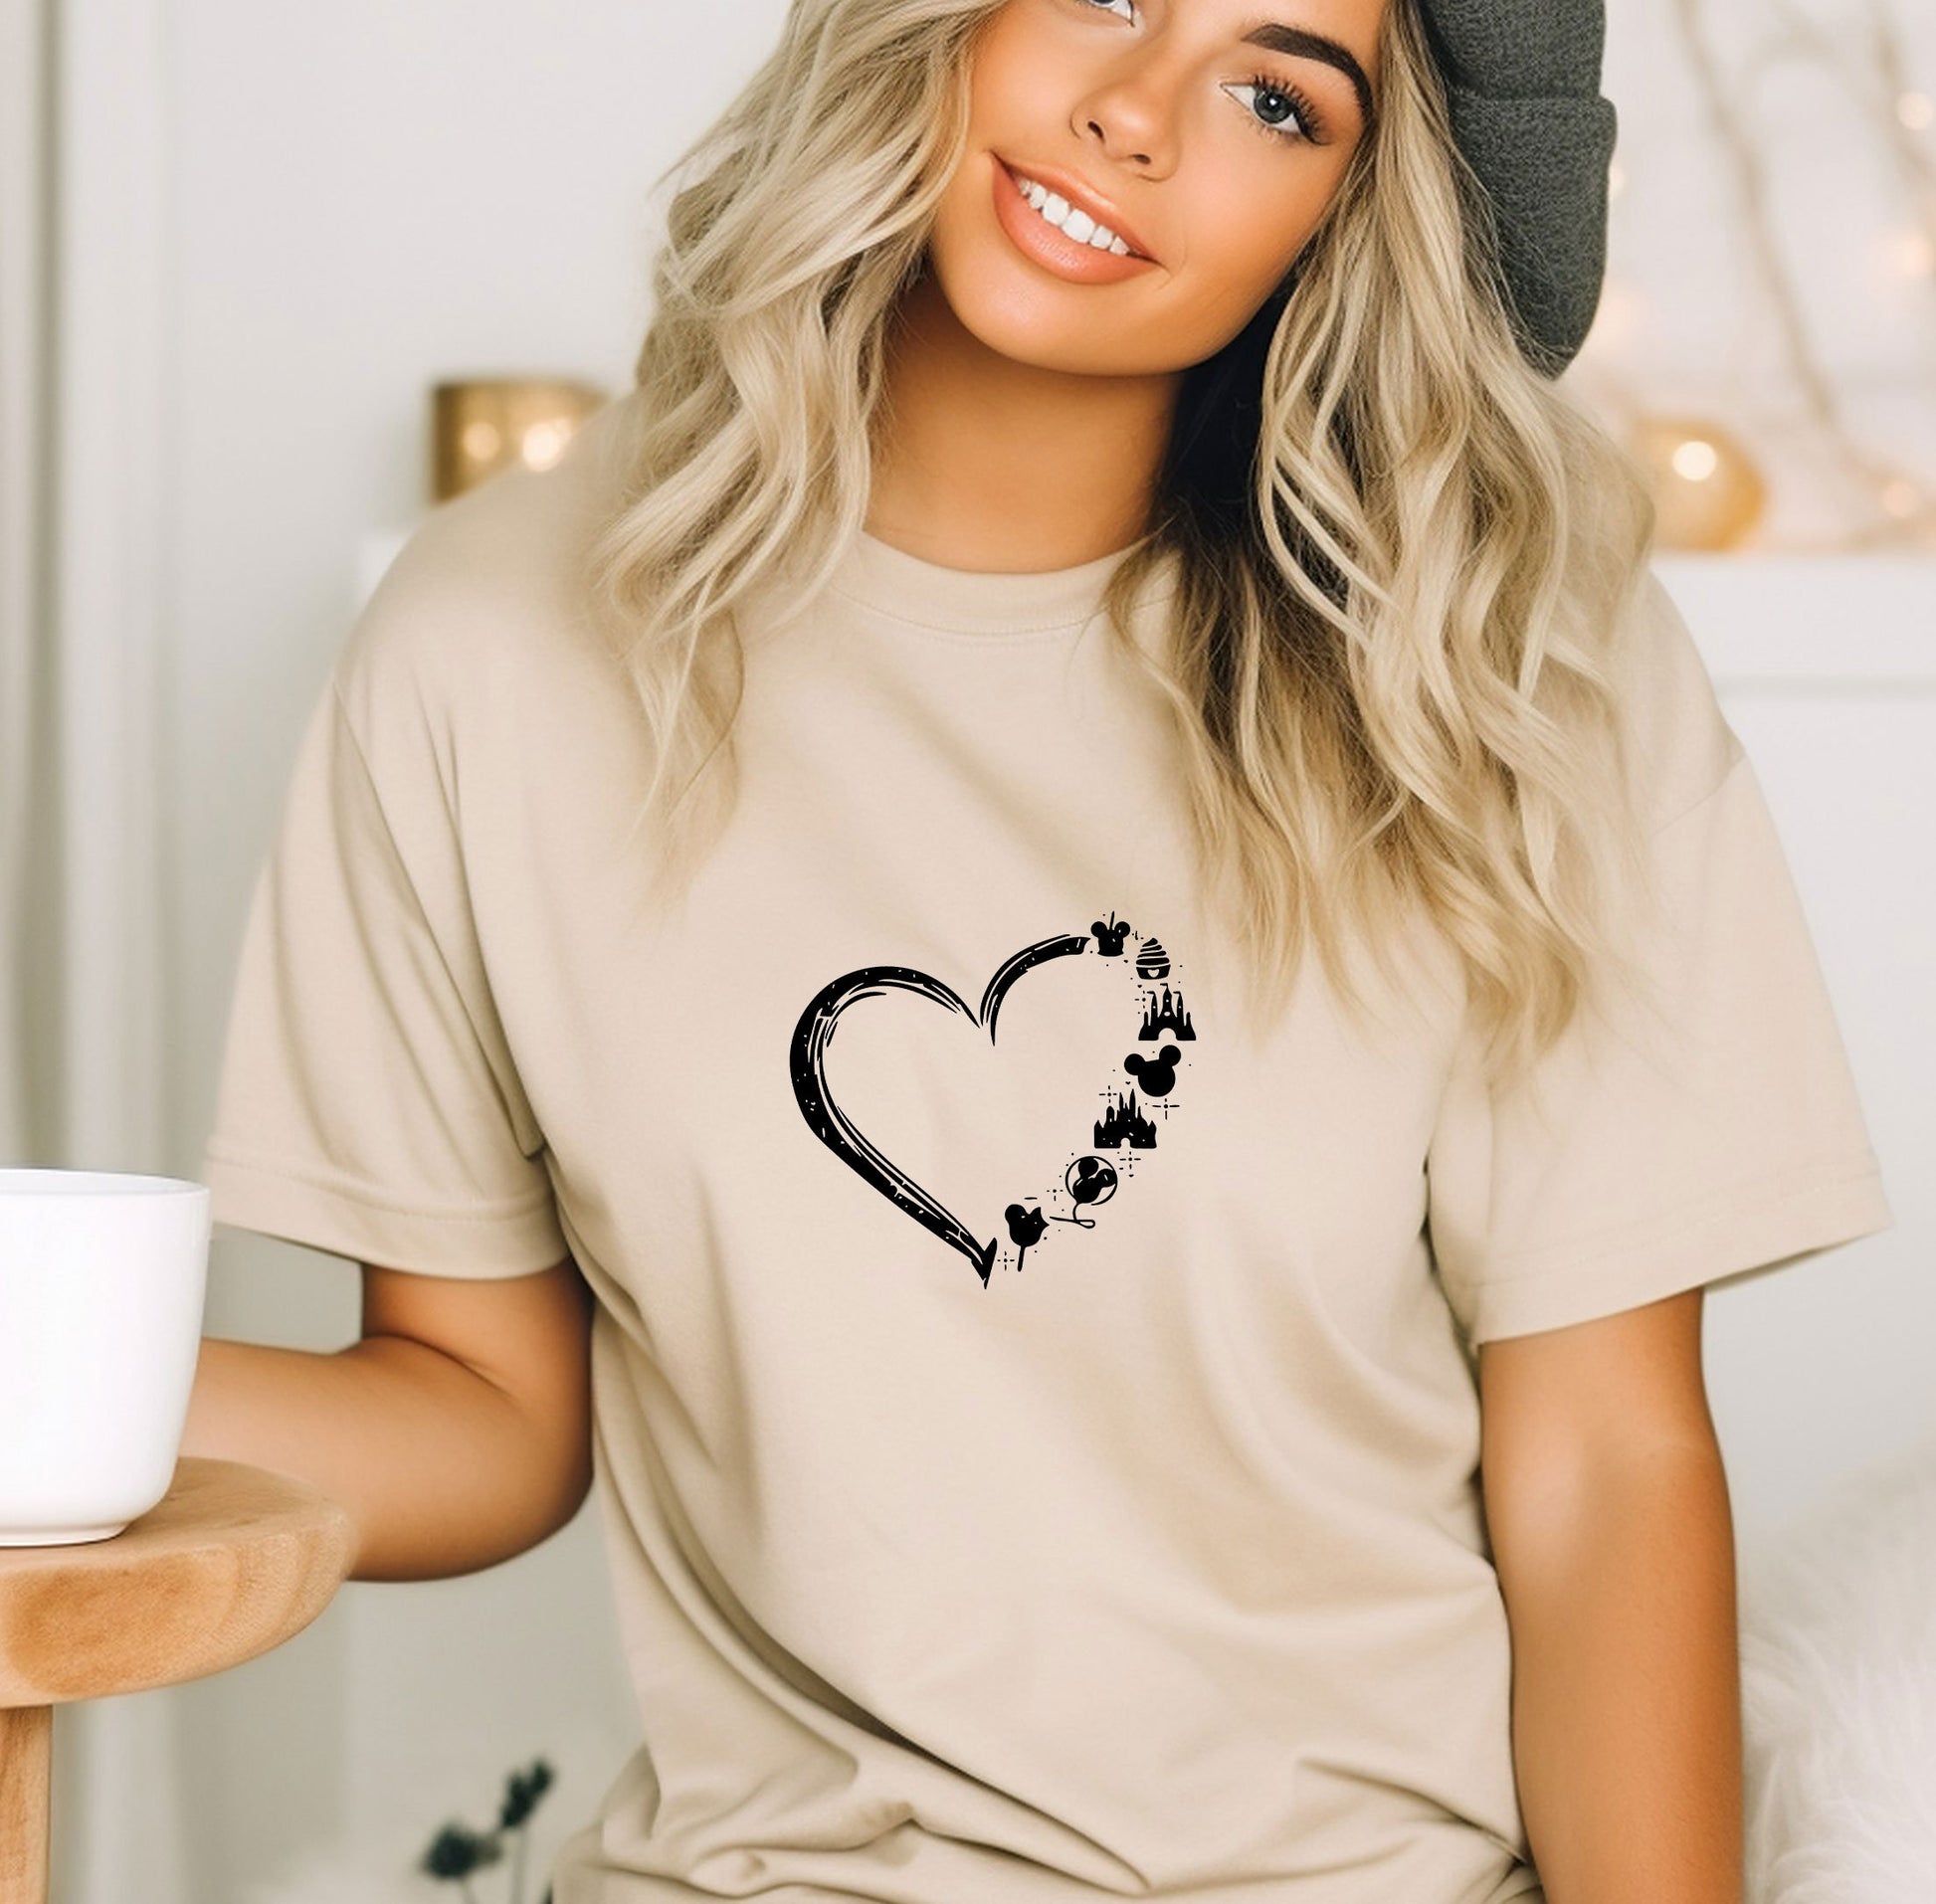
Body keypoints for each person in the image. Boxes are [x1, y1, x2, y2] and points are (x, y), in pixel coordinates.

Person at [185, 0, 1895, 1899]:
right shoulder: (491, 646)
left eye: (1272, 94)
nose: (1134, 116)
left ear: (1349, 211)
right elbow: (484, 1413)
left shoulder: (1501, 677)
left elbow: (1600, 1475)